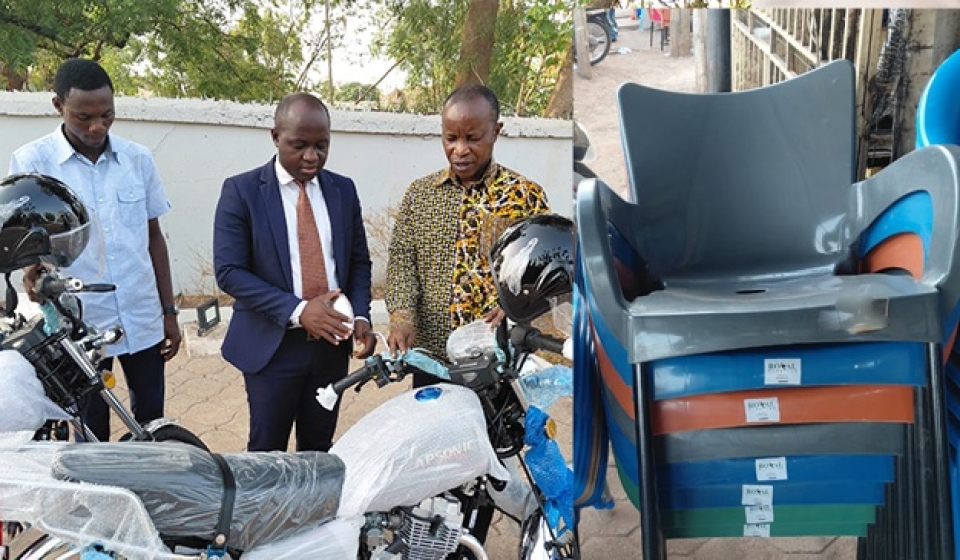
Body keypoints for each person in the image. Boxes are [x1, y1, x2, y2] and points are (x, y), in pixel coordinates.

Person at [9, 58, 181, 442]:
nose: (97, 127)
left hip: (141, 316)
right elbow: (27, 249)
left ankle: (151, 494)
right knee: (90, 432)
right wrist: (32, 274)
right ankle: (99, 502)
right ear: (58, 106)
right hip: (77, 328)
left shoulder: (137, 159)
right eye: (83, 117)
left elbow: (154, 237)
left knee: (153, 424)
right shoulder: (33, 163)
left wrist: (169, 312)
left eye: (107, 115)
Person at [213, 92, 375, 453]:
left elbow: (358, 261)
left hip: (331, 345)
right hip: (273, 345)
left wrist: (361, 314)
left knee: (318, 447)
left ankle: (314, 511)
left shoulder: (342, 190)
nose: (311, 156)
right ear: (275, 137)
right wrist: (301, 311)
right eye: (299, 145)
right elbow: (230, 272)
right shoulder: (241, 191)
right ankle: (264, 511)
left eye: (322, 146)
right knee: (267, 450)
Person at [386, 84, 550, 387]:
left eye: (472, 138)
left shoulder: (524, 196)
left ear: (496, 131)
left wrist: (518, 303)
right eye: (451, 138)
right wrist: (401, 318)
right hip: (433, 361)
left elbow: (544, 268)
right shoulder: (420, 196)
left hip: (496, 361)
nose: (459, 150)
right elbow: (401, 262)